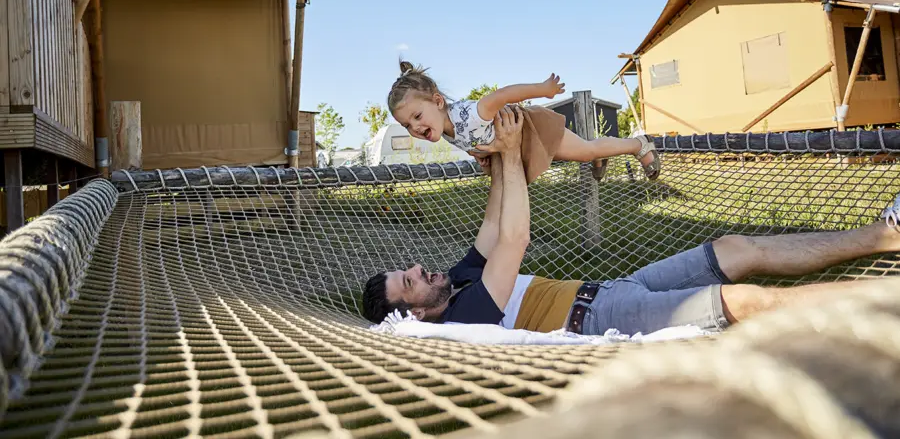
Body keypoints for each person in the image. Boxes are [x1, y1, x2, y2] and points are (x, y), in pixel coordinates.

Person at [362, 106, 900, 336]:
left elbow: (492, 223)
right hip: (602, 318)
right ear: (412, 314)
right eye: (407, 282)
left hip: (610, 288)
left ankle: (887, 234)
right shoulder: (466, 316)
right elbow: (514, 238)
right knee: (745, 302)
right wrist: (505, 154)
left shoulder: (455, 282)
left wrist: (502, 154)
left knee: (735, 248)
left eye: (407, 270)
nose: (417, 269)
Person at [386, 61, 660, 183]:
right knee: (585, 150)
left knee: (586, 150)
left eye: (417, 116)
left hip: (532, 128)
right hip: (518, 142)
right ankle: (599, 155)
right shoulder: (446, 130)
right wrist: (483, 153)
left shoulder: (467, 114)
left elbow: (502, 95)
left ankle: (638, 144)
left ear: (437, 102)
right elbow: (476, 141)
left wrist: (543, 89)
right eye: (408, 125)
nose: (415, 128)